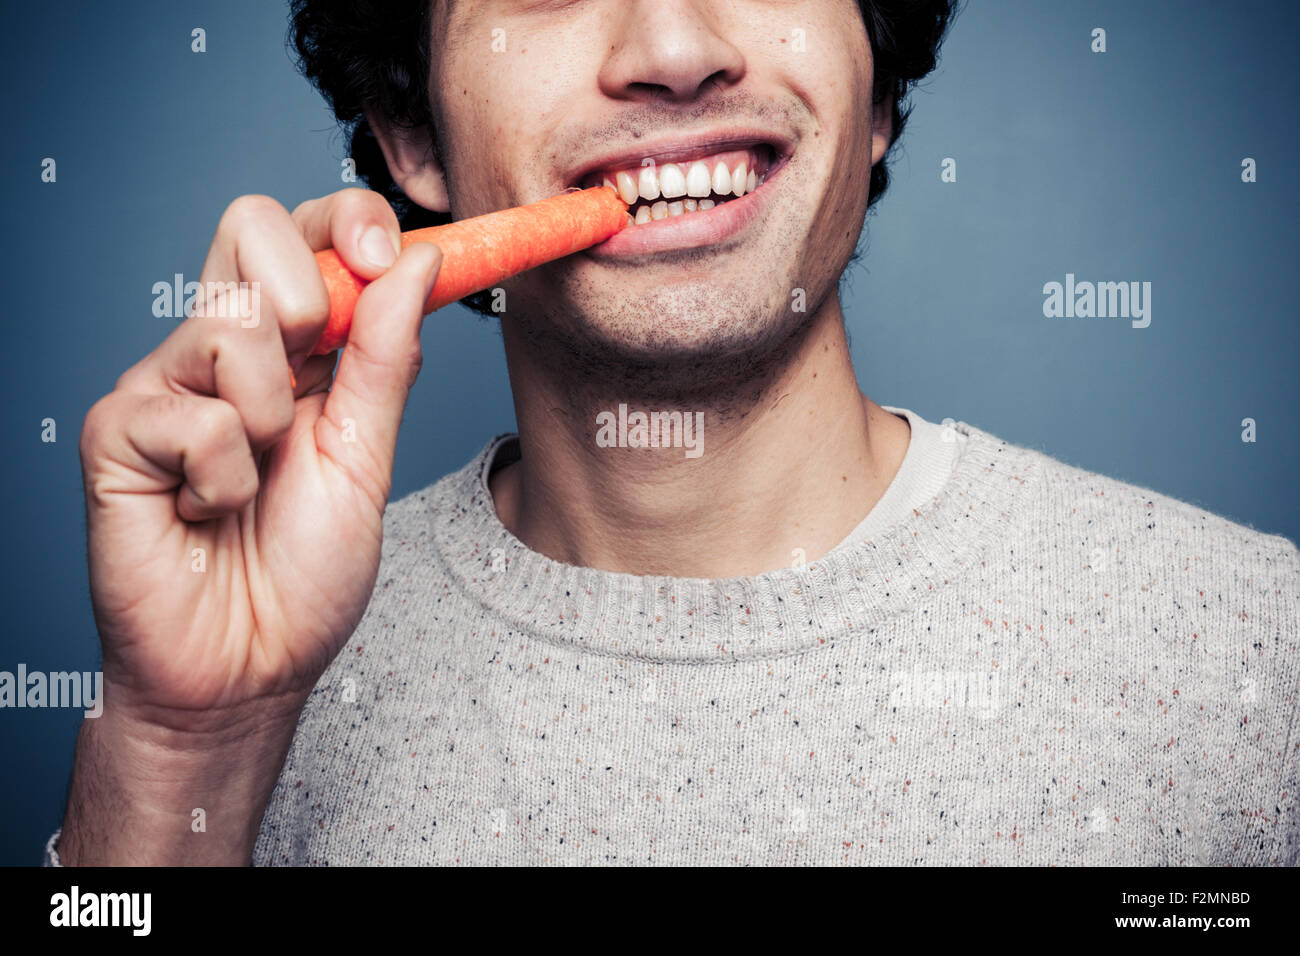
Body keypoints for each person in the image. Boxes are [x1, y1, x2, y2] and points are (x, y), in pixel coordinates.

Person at [50, 0, 1297, 866]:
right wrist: (177, 755)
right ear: (411, 135)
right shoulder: (250, 687)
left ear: (876, 92)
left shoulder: (1251, 652)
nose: (673, 48)